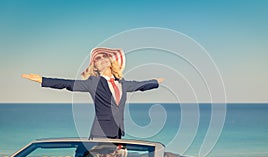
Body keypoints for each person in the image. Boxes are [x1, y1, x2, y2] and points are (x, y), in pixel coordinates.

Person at [22, 47, 163, 139]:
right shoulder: (93, 83)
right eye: (97, 59)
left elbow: (140, 85)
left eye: (103, 58)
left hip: (117, 133)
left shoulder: (122, 83)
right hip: (99, 134)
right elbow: (68, 84)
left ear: (110, 62)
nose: (101, 60)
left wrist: (155, 82)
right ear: (94, 66)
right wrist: (42, 80)